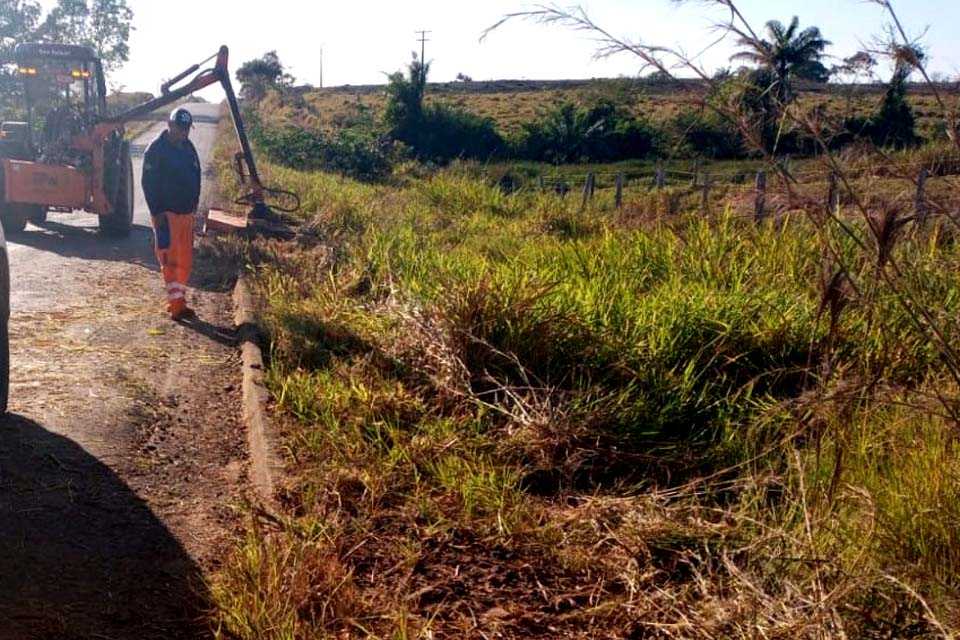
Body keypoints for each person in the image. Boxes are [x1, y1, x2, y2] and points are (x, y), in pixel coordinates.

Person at [142, 107, 201, 320]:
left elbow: (196, 175)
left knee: (185, 261)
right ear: (170, 125)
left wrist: (194, 205)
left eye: (187, 128)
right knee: (170, 260)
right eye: (180, 127)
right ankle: (176, 306)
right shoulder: (156, 149)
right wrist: (157, 212)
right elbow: (148, 183)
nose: (184, 132)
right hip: (166, 215)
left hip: (186, 214)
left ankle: (179, 301)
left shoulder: (188, 147)